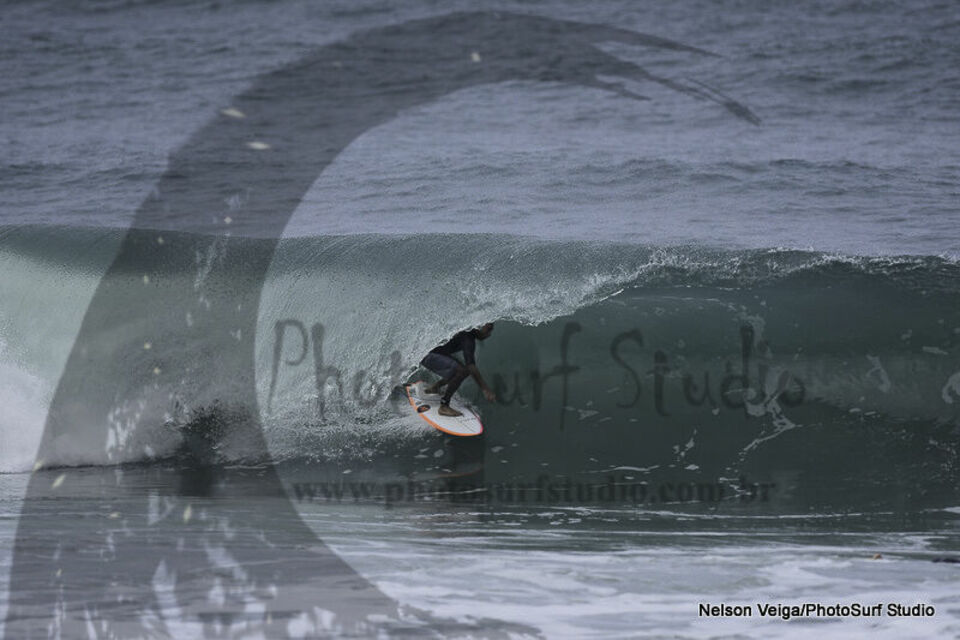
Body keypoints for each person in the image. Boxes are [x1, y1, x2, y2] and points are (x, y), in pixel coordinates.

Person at [421, 323, 496, 416]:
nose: (489, 334)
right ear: (479, 327)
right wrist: (485, 389)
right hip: (427, 356)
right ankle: (444, 406)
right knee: (462, 371)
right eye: (488, 330)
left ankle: (435, 387)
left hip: (431, 354)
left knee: (463, 370)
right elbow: (471, 366)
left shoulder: (467, 332)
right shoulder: (468, 337)